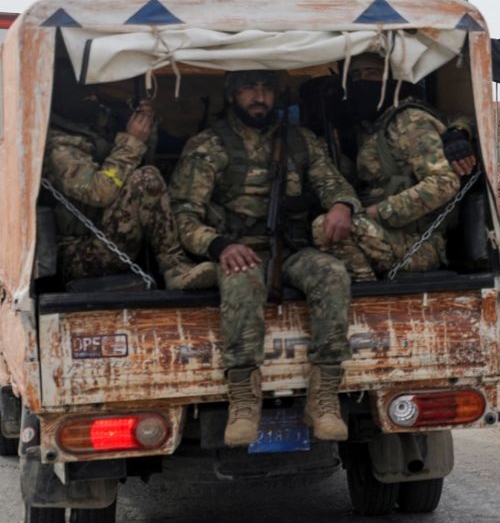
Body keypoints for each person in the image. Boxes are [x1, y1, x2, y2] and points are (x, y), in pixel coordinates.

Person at [170, 70, 361, 447]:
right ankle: (244, 399)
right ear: (232, 94)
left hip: (290, 248)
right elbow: (183, 214)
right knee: (242, 279)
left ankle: (323, 398)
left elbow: (333, 182)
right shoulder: (209, 146)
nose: (259, 96)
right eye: (249, 87)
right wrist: (220, 245)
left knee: (332, 272)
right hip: (238, 250)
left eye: (267, 88)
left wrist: (342, 205)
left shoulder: (299, 141)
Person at [43, 56, 215, 290]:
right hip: (77, 255)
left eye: (95, 93)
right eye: (86, 95)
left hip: (106, 238)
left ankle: (176, 267)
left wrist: (146, 130)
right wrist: (132, 141)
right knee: (146, 177)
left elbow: (134, 176)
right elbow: (99, 192)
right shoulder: (58, 147)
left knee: (149, 176)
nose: (94, 100)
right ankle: (174, 266)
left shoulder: (95, 127)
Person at [316, 52, 463, 283]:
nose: (363, 82)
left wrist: (380, 212)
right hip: (383, 234)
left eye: (372, 74)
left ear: (391, 81)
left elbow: (444, 183)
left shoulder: (409, 120)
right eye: (356, 76)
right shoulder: (369, 127)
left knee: (324, 227)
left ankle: (365, 293)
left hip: (419, 243)